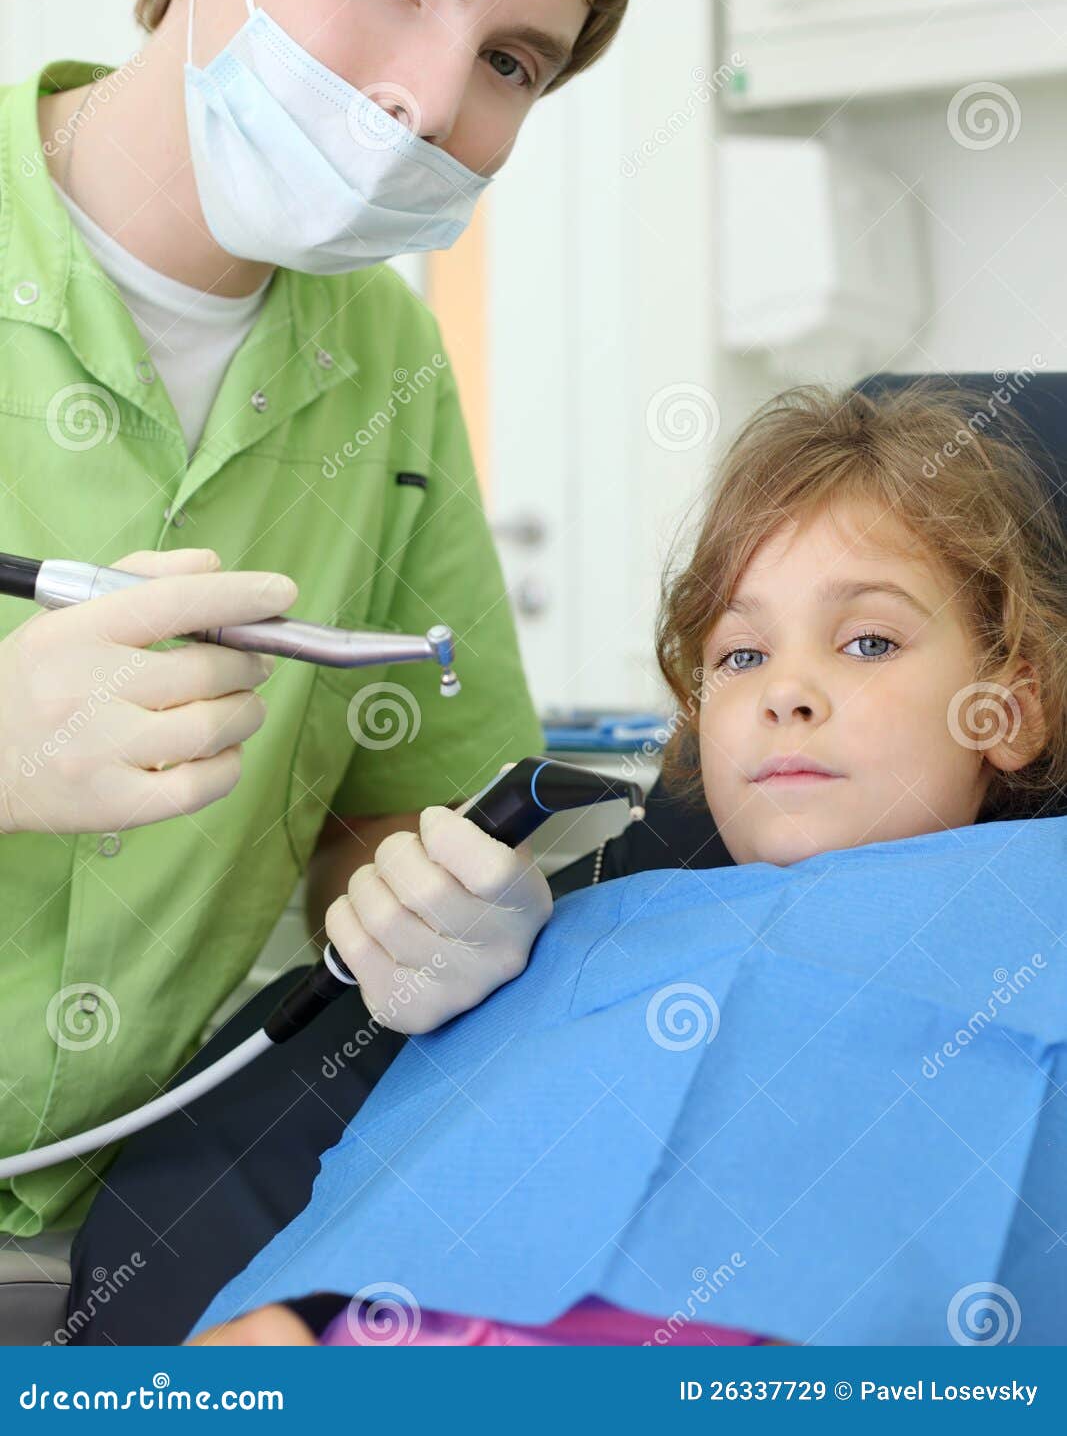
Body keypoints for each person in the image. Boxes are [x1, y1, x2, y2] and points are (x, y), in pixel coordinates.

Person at [0, 0, 650, 1257]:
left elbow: (398, 801)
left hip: (106, 1234)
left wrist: (435, 908)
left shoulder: (386, 362)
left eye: (511, 61)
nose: (424, 97)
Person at [183, 379, 1067, 1345]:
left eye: (867, 640)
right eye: (740, 656)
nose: (786, 692)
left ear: (1008, 708)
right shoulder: (576, 934)